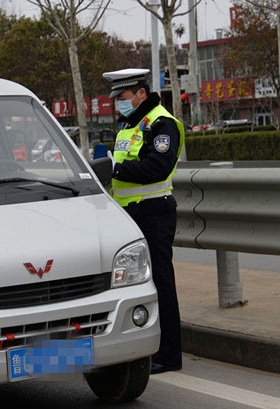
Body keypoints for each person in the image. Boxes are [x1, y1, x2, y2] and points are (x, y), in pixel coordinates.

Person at [103, 68, 185, 374]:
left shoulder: (162, 123)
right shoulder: (129, 124)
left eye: (122, 98)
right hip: (129, 214)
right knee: (136, 284)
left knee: (161, 281)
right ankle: (143, 346)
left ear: (140, 93)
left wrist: (117, 171)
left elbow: (158, 167)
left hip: (154, 212)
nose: (118, 105)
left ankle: (169, 354)